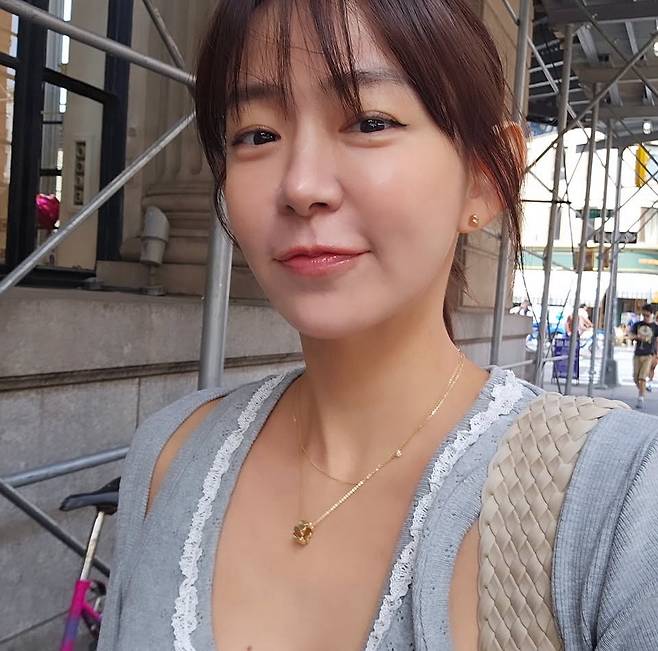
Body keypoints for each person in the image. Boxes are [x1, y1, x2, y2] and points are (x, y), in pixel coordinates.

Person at [98, 2, 658, 649]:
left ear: (484, 177)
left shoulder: (621, 500)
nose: (301, 185)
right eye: (256, 134)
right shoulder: (170, 455)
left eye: (370, 122)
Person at [630, 304, 658, 408]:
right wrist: (636, 337)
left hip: (649, 355)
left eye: (647, 315)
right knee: (635, 378)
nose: (645, 317)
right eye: (644, 315)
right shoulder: (638, 325)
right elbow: (630, 334)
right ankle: (642, 389)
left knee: (642, 377)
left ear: (652, 315)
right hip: (637, 354)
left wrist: (656, 354)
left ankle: (641, 397)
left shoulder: (655, 327)